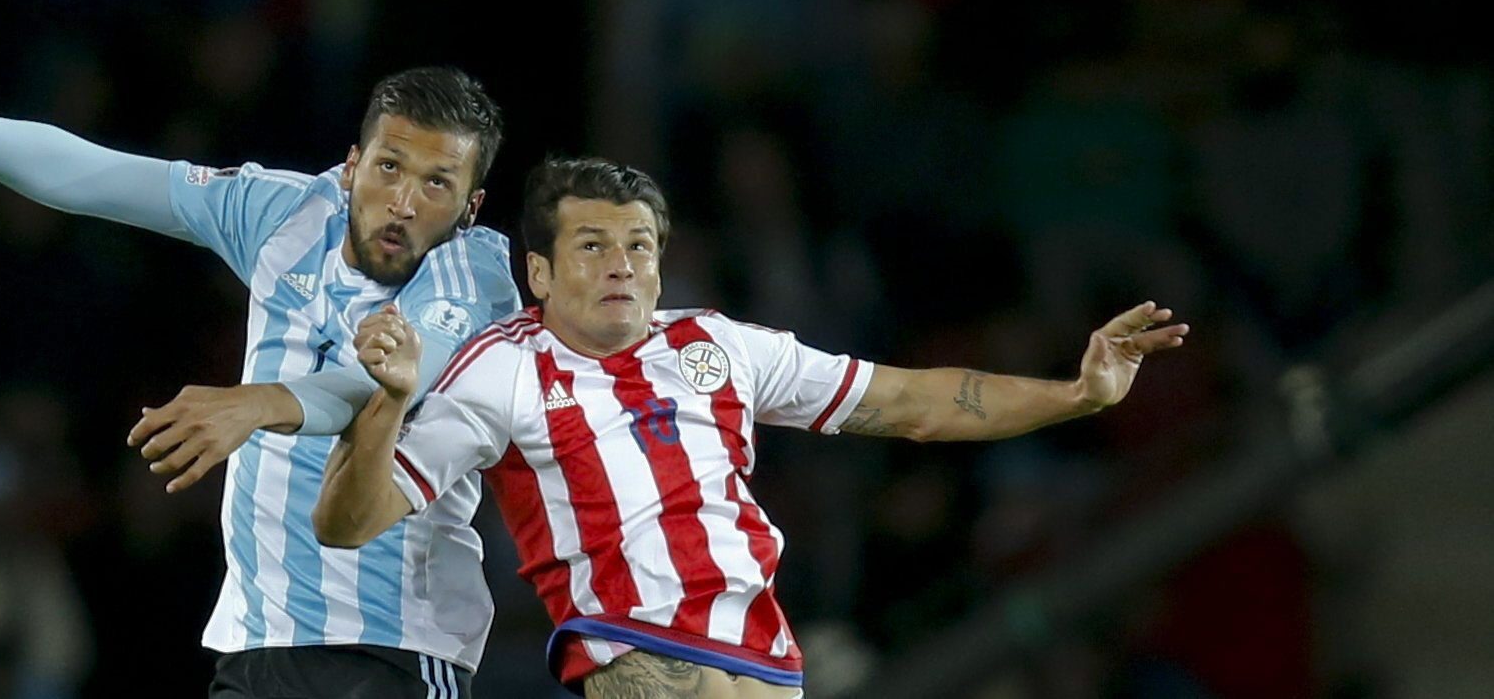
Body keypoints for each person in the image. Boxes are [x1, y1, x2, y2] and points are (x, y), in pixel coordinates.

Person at [0, 27, 519, 698]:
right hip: (258, 637)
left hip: (388, 642)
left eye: (435, 183)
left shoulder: (471, 276)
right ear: (352, 164)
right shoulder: (284, 213)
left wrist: (257, 402)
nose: (401, 201)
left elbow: (381, 386)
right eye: (389, 166)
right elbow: (95, 176)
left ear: (469, 206)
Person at [313, 157, 1189, 698]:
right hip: (642, 660)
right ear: (538, 271)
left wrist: (1076, 395)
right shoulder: (501, 369)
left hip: (770, 664)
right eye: (591, 246)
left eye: (639, 246)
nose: (621, 265)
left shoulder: (718, 345)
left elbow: (917, 404)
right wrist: (388, 404)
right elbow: (347, 524)